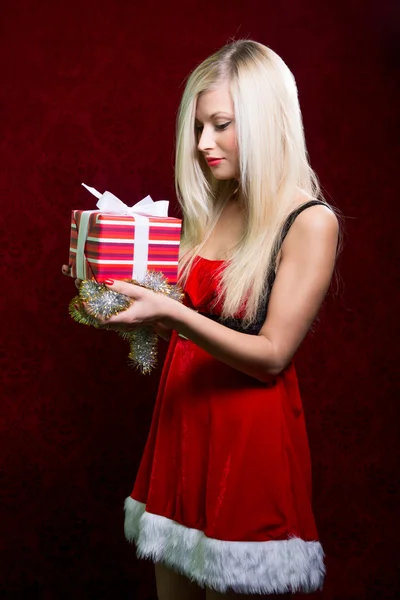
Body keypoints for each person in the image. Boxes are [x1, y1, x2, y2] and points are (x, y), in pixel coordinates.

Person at [62, 40, 340, 599]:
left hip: (248, 441)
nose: (203, 144)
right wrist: (134, 310)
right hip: (182, 431)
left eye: (221, 125)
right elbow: (192, 322)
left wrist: (171, 313)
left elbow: (270, 357)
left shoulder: (310, 222)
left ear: (266, 123)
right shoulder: (212, 206)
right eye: (197, 127)